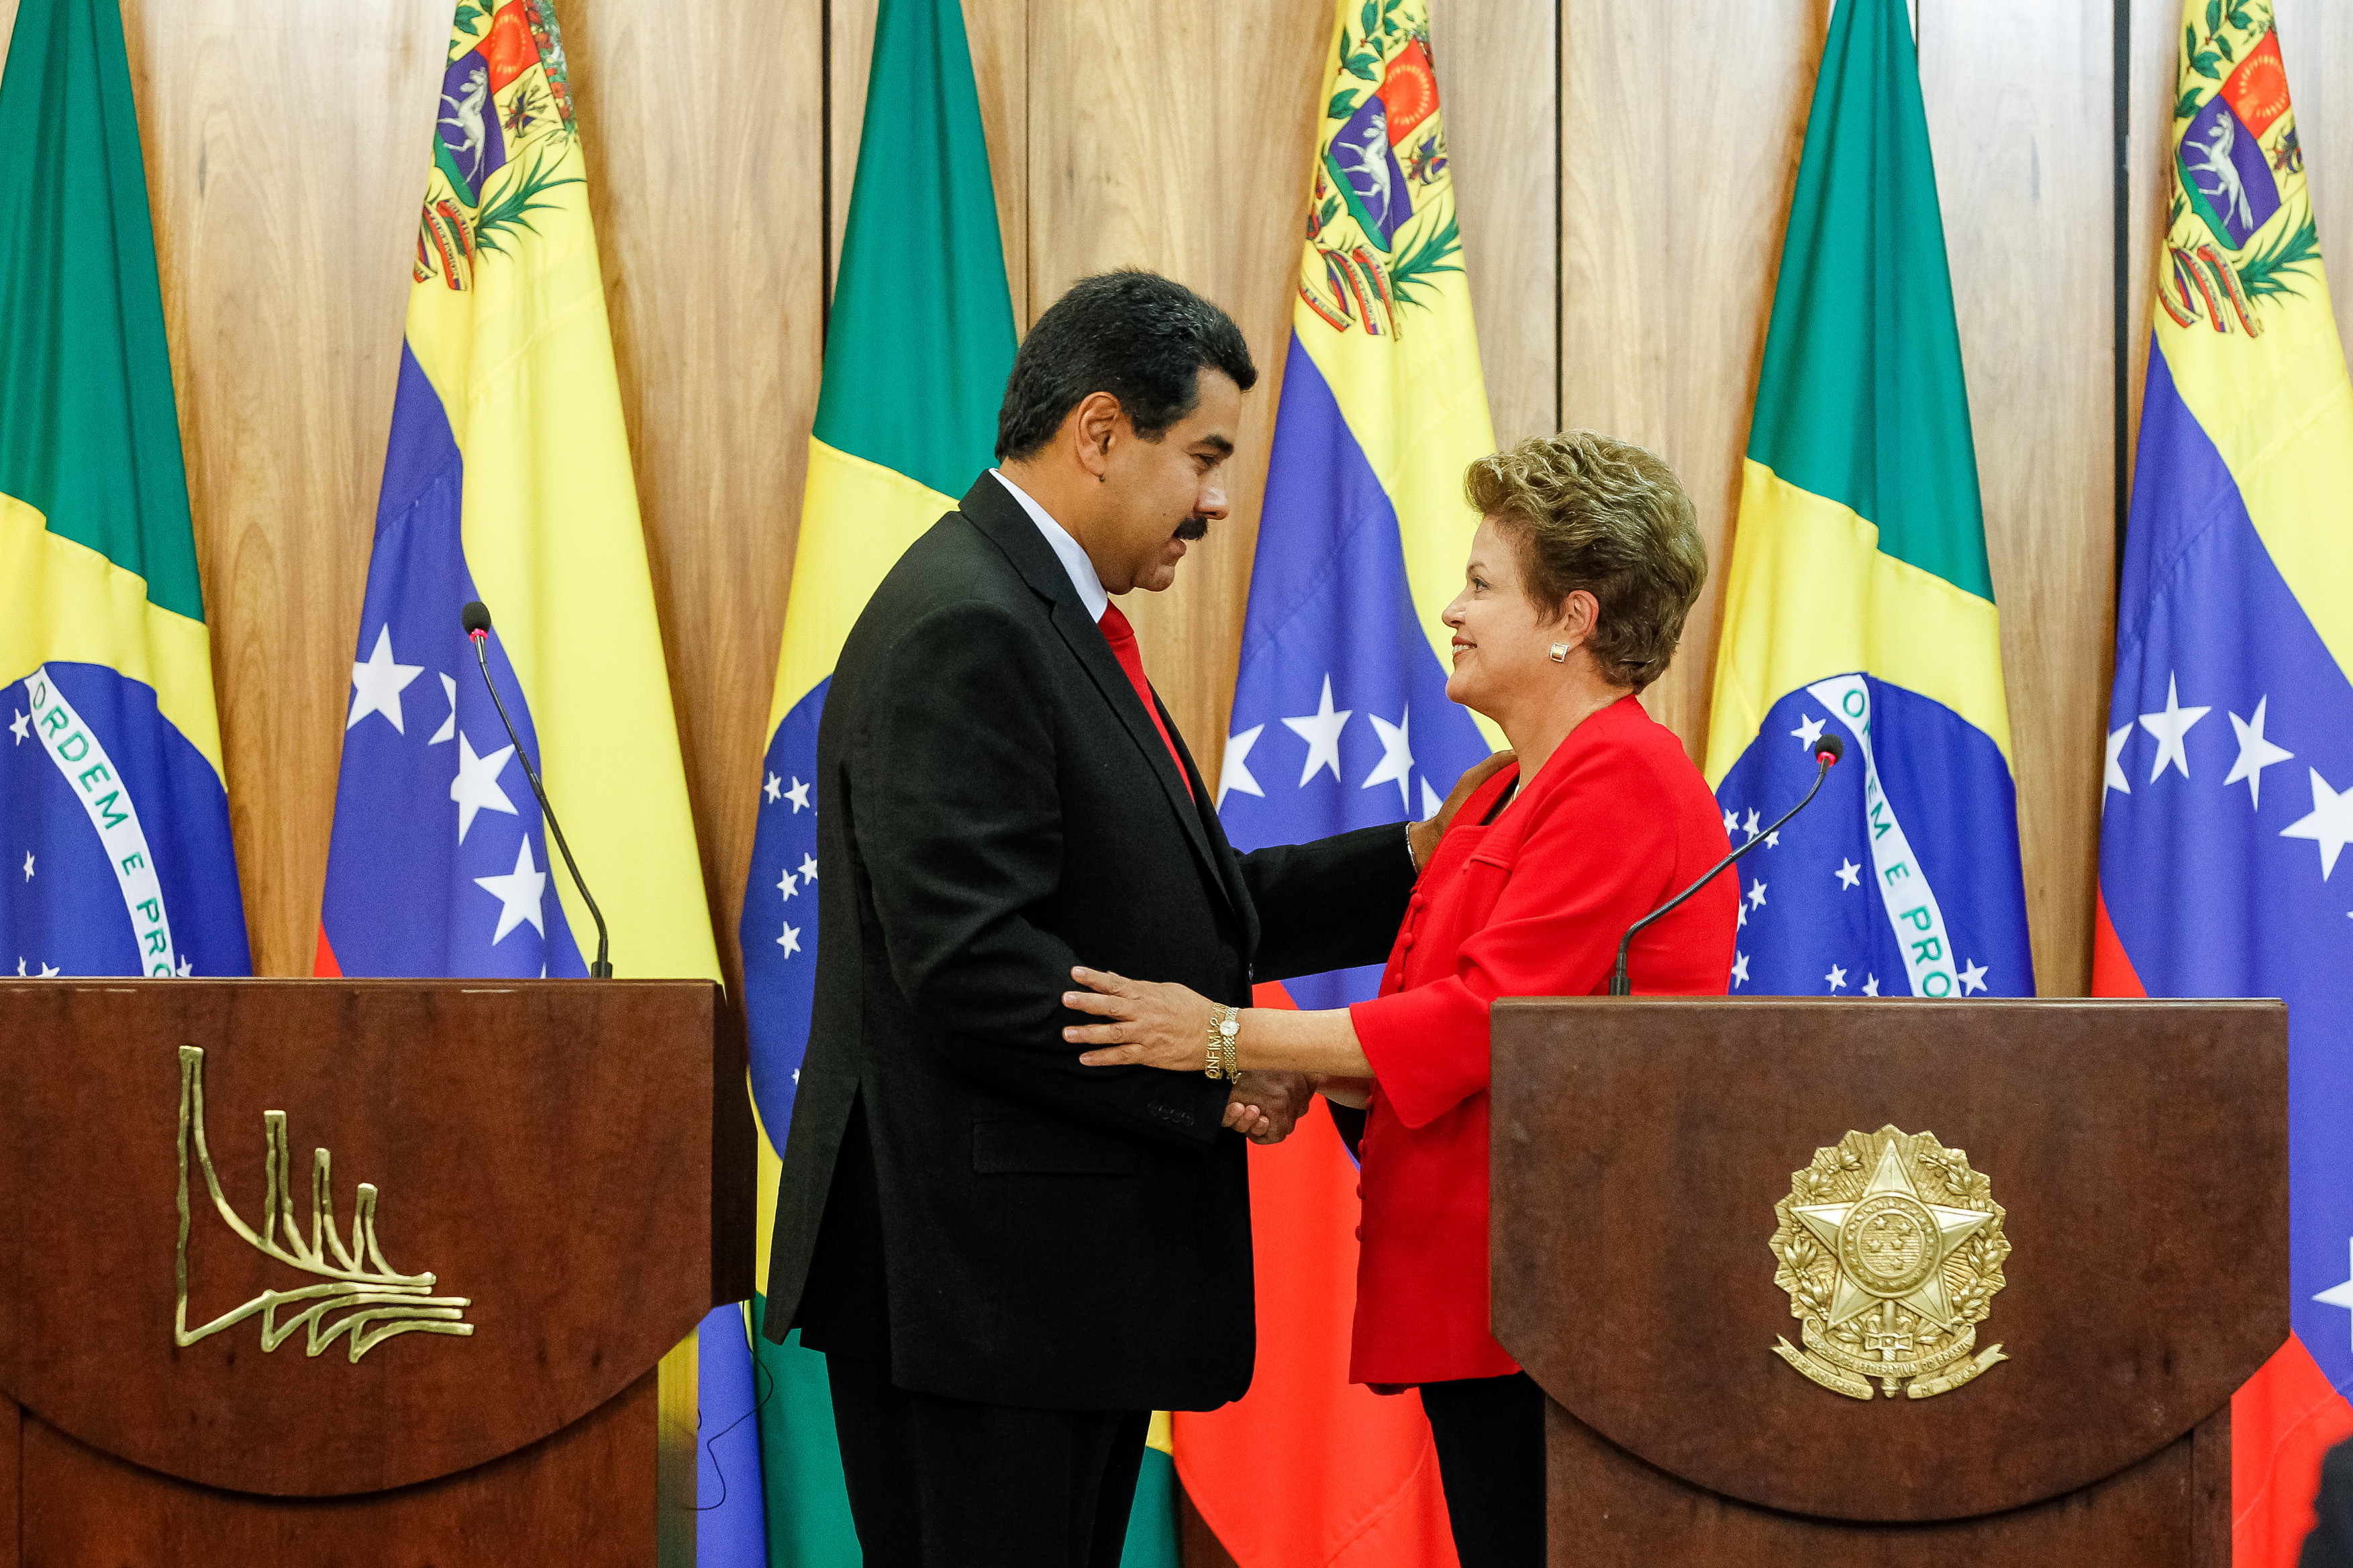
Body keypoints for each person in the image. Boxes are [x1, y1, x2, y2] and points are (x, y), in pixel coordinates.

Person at [759, 270, 1498, 1568]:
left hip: (1036, 1290)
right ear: (1099, 432)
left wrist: (1414, 857)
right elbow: (972, 963)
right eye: (1202, 456)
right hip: (979, 1291)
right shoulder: (969, 624)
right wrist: (1209, 1081)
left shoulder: (1043, 615)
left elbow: (1183, 918)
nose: (1218, 499)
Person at [1066, 430, 1736, 1568]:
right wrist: (1299, 1066)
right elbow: (1438, 1018)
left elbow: (1483, 1022)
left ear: (1572, 617)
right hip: (1480, 1294)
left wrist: (1223, 1036)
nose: (1451, 609)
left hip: (1557, 1304)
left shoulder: (1620, 774)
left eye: (1482, 584)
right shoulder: (1501, 793)